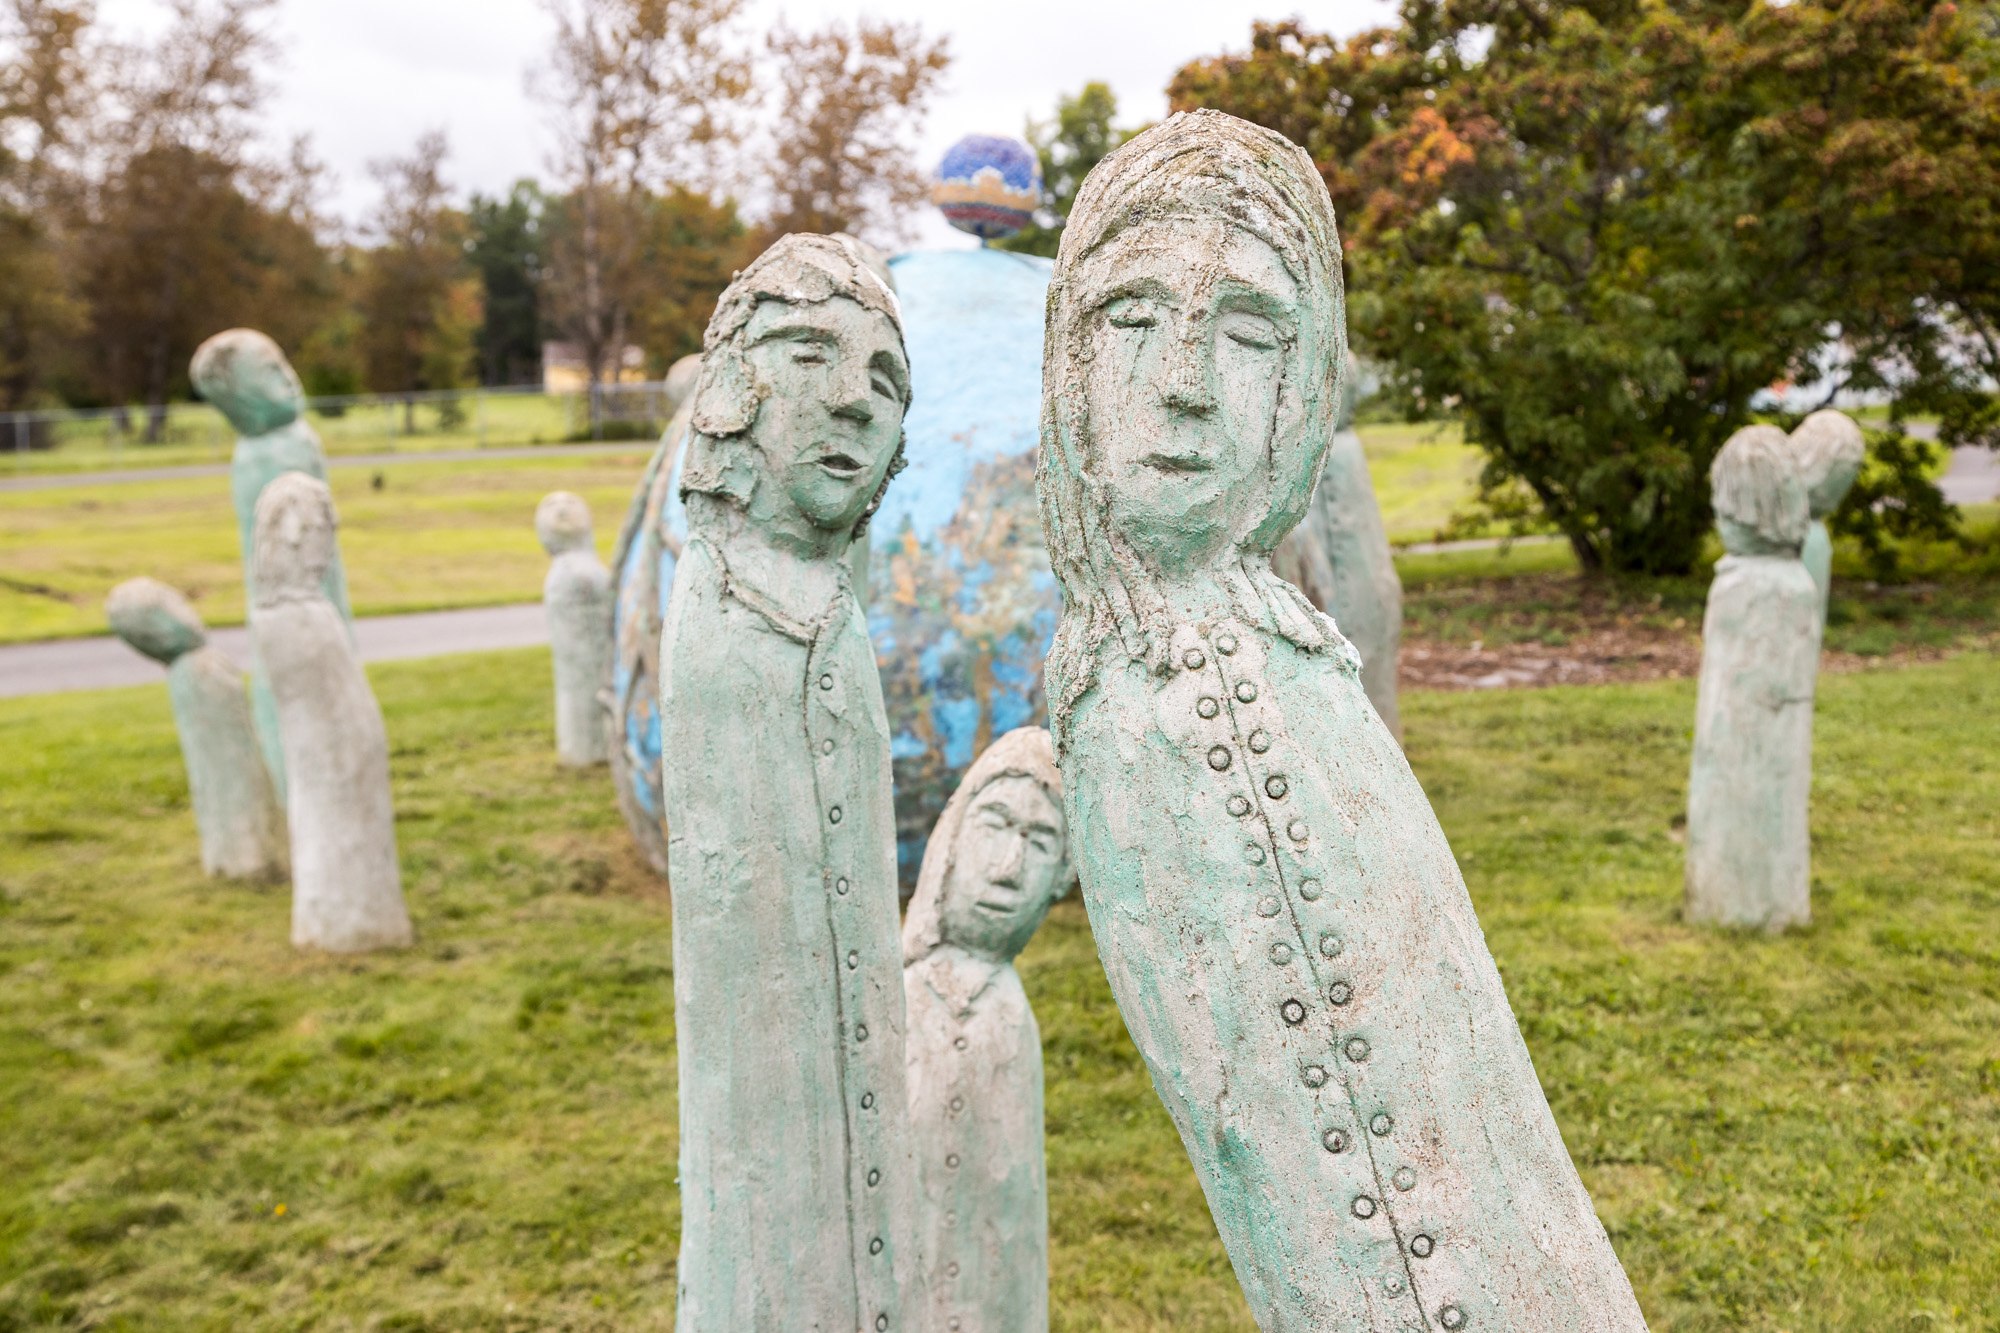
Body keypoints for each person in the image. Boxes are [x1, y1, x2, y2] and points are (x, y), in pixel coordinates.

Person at [1036, 108, 1648, 1332]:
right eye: (1133, 319)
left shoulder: (1282, 643)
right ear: (1069, 361)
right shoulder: (1138, 695)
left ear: (1304, 378)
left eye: (1246, 333)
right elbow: (1289, 1126)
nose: (1183, 385)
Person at [659, 234, 919, 1332]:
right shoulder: (727, 615)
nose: (854, 399)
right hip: (768, 1110)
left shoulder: (829, 608)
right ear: (732, 388)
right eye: (811, 354)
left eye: (885, 380)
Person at [902, 727, 1070, 1333]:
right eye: (995, 827)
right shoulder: (898, 997)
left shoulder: (1008, 1017)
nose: (1008, 869)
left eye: (1041, 842)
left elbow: (1011, 1219)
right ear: (951, 838)